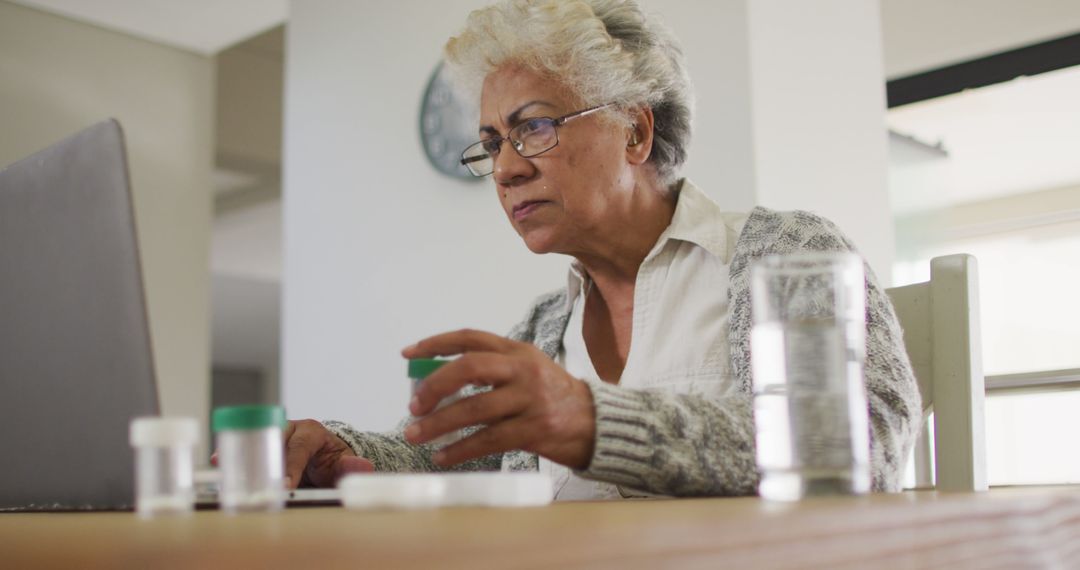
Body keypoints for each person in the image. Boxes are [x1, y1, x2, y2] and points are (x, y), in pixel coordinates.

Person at [283, 0, 922, 499]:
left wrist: (590, 420)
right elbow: (435, 457)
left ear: (635, 130)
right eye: (492, 142)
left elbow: (855, 449)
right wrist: (339, 452)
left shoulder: (784, 255)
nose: (505, 169)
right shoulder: (542, 328)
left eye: (532, 127)